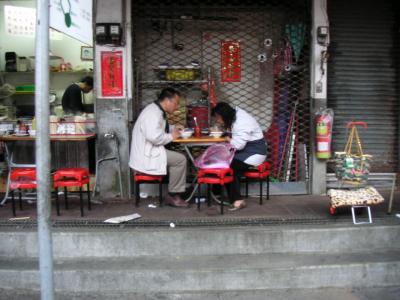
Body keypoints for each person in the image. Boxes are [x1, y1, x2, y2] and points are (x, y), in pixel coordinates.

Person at [129, 87, 189, 207]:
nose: (176, 107)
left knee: (180, 157)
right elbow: (154, 137)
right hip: (146, 155)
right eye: (176, 103)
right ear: (167, 101)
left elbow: (160, 128)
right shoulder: (153, 113)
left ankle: (176, 190)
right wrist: (172, 136)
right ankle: (173, 195)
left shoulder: (156, 110)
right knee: (180, 159)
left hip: (149, 151)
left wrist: (173, 128)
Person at [212, 102, 267, 210]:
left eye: (218, 118)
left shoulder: (241, 121)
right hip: (245, 150)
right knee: (222, 161)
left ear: (224, 116)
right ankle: (217, 192)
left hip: (255, 152)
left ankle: (237, 200)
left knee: (230, 167)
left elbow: (239, 145)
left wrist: (228, 139)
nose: (217, 121)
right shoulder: (235, 117)